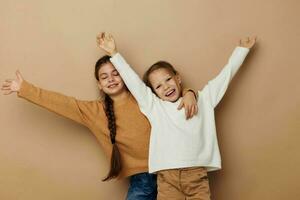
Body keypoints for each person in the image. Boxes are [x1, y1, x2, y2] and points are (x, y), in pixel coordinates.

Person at [1, 54, 199, 200]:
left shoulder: (143, 96)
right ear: (99, 84)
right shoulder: (94, 111)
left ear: (124, 75)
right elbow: (63, 103)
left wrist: (190, 92)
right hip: (142, 179)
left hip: (173, 170)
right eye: (104, 77)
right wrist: (25, 89)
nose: (111, 79)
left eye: (115, 74)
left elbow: (170, 94)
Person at [97, 33, 256, 200]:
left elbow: (225, 77)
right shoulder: (155, 107)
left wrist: (242, 50)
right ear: (154, 93)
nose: (165, 87)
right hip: (167, 179)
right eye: (158, 86)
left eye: (168, 79)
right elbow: (134, 82)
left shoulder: (203, 100)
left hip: (196, 177)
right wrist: (114, 53)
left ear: (178, 78)